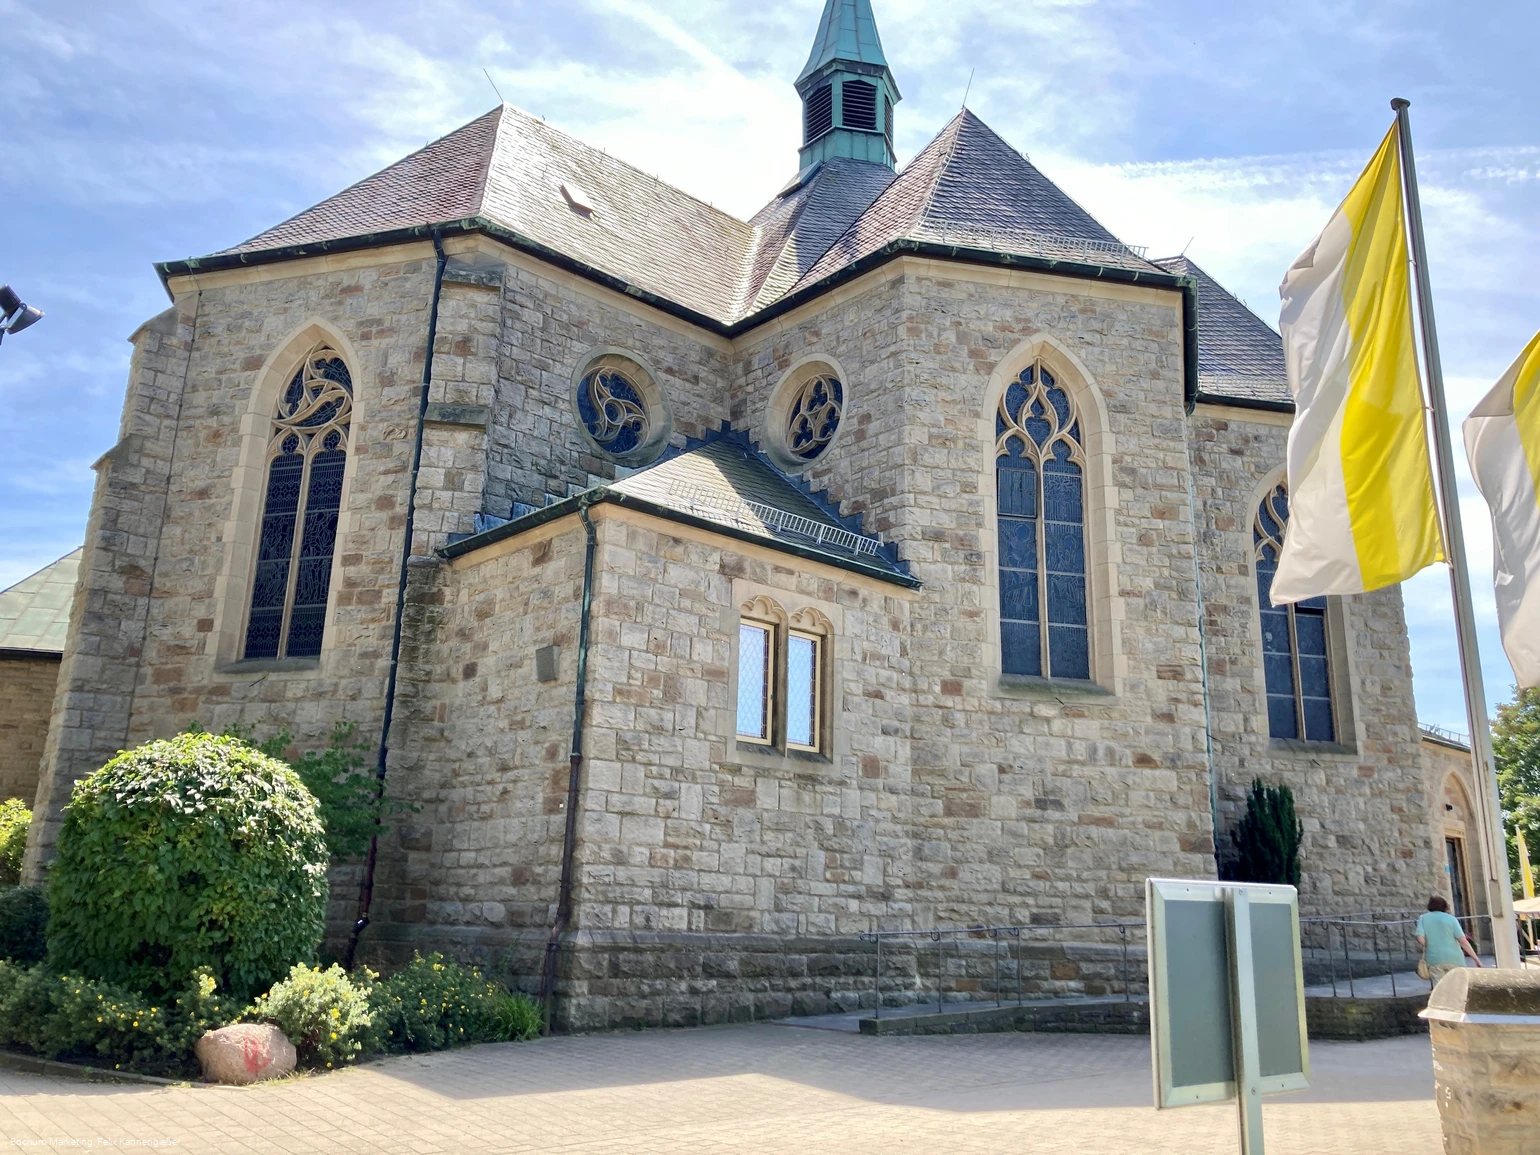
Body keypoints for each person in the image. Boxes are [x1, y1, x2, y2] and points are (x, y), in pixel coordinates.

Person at [1415, 894, 1483, 982]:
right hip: (1455, 959)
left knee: (1440, 987)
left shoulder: (1423, 918)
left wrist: (1431, 942)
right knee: (1457, 986)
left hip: (1435, 958)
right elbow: (1463, 941)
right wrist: (1476, 959)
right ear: (1445, 906)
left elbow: (1421, 939)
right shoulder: (1452, 919)